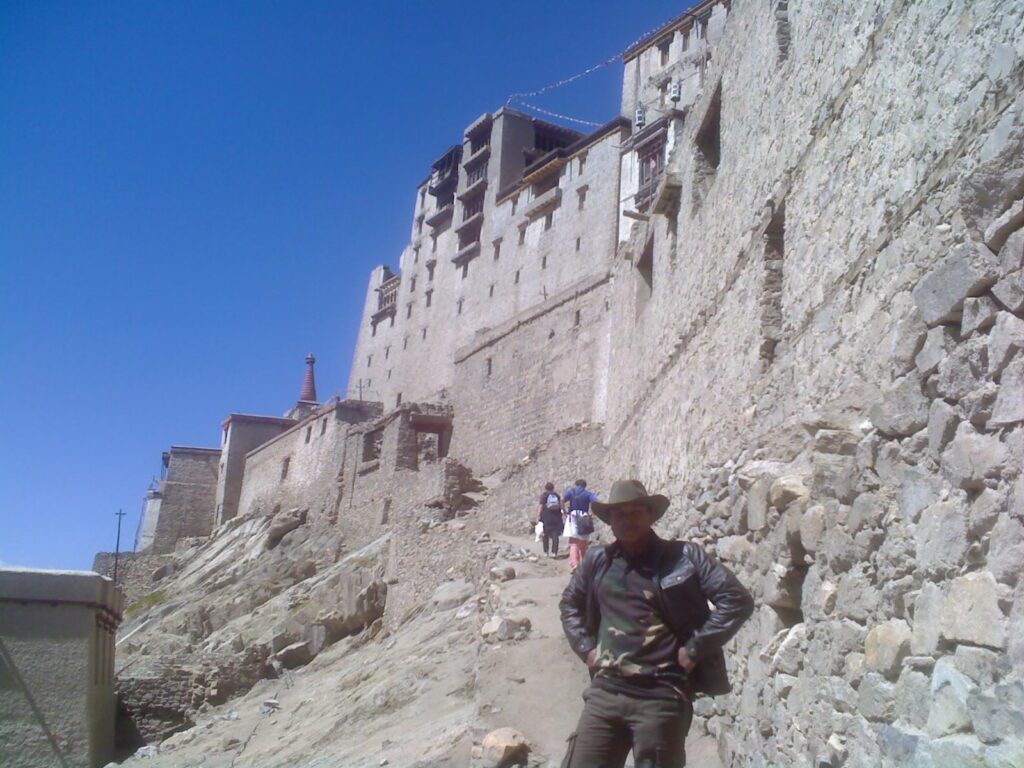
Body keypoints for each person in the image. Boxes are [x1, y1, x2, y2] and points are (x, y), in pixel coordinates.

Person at [559, 479, 754, 767]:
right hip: (606, 691)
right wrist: (586, 648)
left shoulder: (684, 557)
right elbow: (569, 604)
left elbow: (736, 600)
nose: (628, 520)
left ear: (650, 515)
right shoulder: (598, 561)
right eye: (620, 514)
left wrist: (695, 649)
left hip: (660, 695)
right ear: (610, 521)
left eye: (636, 512)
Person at [562, 479, 599, 572]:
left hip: (573, 517)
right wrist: (592, 513)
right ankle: (584, 564)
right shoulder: (587, 494)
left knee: (573, 542)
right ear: (584, 486)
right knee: (583, 542)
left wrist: (564, 511)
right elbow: (596, 501)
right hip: (584, 517)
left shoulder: (571, 492)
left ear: (576, 484)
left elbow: (562, 499)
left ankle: (574, 564)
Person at [537, 482, 563, 558]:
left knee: (545, 534)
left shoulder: (544, 496)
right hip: (556, 517)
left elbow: (541, 506)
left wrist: (538, 516)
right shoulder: (557, 495)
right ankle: (554, 552)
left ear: (545, 488)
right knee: (555, 535)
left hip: (546, 517)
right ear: (553, 488)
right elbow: (561, 505)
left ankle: (546, 552)